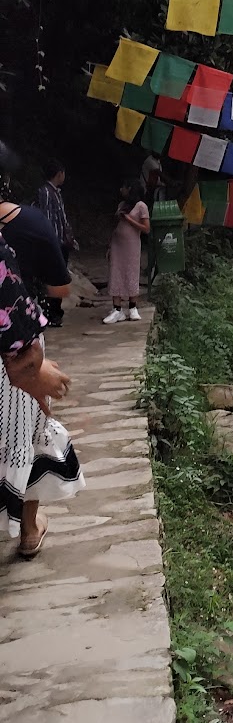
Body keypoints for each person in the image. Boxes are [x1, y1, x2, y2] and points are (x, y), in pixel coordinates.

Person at [0, 231, 78, 556]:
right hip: (8, 350)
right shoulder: (32, 223)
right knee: (25, 435)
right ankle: (29, 531)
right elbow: (57, 286)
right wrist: (30, 365)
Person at [0, 192, 72, 330]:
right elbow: (59, 286)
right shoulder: (32, 220)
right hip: (20, 322)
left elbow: (60, 286)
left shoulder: (31, 220)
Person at [32, 160, 76, 326]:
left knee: (59, 278)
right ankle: (51, 314)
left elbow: (61, 218)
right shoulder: (45, 192)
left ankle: (55, 312)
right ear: (59, 174)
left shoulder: (56, 192)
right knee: (53, 278)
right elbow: (46, 218)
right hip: (52, 243)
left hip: (60, 243)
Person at [104, 183, 150, 324]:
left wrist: (129, 219)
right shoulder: (122, 204)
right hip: (118, 244)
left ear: (130, 189)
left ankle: (132, 307)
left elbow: (146, 229)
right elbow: (118, 226)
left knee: (131, 271)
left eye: (124, 186)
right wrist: (110, 245)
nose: (121, 189)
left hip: (132, 245)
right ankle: (117, 309)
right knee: (116, 272)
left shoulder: (141, 206)